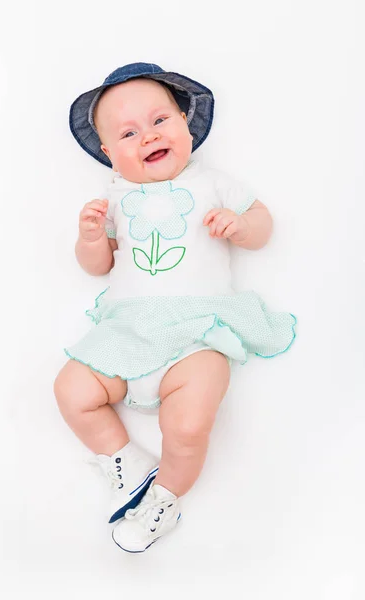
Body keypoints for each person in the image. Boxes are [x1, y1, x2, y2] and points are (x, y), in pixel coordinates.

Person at [54, 62, 297, 553]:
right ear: (107, 153)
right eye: (128, 132)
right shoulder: (114, 198)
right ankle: (126, 459)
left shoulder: (212, 183)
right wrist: (90, 239)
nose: (147, 137)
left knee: (187, 425)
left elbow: (262, 223)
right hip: (127, 330)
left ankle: (165, 497)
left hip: (197, 330)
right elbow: (97, 267)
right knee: (71, 390)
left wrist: (241, 226)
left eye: (160, 121)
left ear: (186, 122)